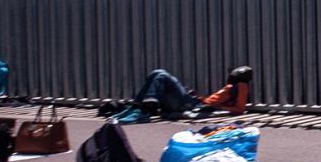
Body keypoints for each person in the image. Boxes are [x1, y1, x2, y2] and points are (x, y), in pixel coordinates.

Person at [107, 66, 251, 122]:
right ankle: (137, 108)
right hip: (193, 102)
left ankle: (143, 109)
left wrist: (216, 109)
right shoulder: (234, 86)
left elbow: (240, 109)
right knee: (156, 74)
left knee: (161, 74)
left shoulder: (241, 85)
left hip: (191, 106)